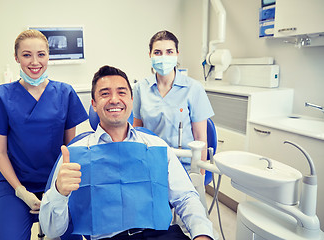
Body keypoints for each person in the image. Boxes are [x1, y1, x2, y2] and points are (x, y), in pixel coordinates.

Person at [39, 65, 214, 240]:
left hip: (161, 236)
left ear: (131, 100)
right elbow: (53, 231)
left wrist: (202, 234)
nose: (114, 99)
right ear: (93, 104)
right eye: (105, 93)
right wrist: (58, 192)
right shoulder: (75, 155)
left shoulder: (156, 146)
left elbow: (185, 197)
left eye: (121, 92)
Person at [0, 29, 88, 240]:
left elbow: (69, 149)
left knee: (72, 235)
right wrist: (21, 191)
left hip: (56, 182)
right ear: (16, 58)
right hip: (14, 185)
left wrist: (58, 189)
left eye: (41, 54)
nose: (35, 61)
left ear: (48, 57)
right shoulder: (1, 96)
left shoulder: (65, 93)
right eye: (27, 55)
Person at [132, 30, 214, 212]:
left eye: (169, 52)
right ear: (150, 55)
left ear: (177, 54)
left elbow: (201, 136)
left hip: (184, 164)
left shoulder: (193, 89)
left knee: (191, 216)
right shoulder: (140, 88)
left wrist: (198, 176)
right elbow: (138, 130)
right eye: (158, 52)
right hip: (151, 162)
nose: (163, 57)